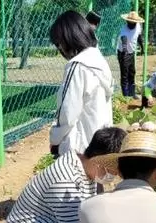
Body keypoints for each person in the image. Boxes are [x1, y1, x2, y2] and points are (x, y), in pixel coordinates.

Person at [49, 11, 114, 158]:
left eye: (58, 44)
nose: (60, 49)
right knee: (95, 179)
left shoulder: (77, 65)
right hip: (99, 142)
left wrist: (55, 139)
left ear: (67, 39)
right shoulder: (99, 60)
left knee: (75, 179)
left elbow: (68, 112)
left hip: (79, 148)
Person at [116, 11, 144, 98]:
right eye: (131, 23)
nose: (133, 25)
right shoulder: (124, 31)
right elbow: (124, 44)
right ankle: (125, 96)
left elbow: (139, 36)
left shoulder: (138, 26)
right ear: (127, 21)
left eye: (134, 23)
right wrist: (124, 55)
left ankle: (132, 93)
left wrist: (142, 47)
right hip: (123, 53)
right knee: (125, 74)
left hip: (131, 53)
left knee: (132, 72)